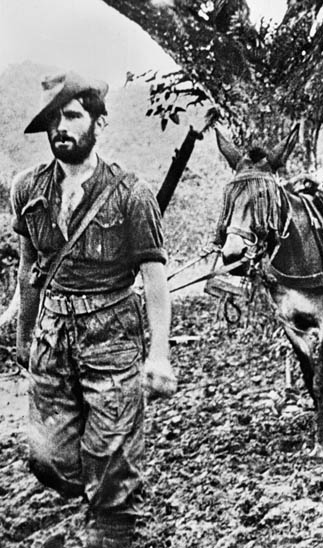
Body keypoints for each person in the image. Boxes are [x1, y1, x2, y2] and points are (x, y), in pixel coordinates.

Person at [11, 71, 177, 548]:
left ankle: (113, 520)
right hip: (51, 337)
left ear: (99, 124)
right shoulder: (28, 190)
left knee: (111, 465)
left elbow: (154, 279)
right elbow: (27, 271)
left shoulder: (132, 194)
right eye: (52, 120)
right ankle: (102, 487)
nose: (60, 127)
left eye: (72, 116)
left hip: (112, 336)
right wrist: (25, 337)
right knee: (46, 456)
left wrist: (159, 354)